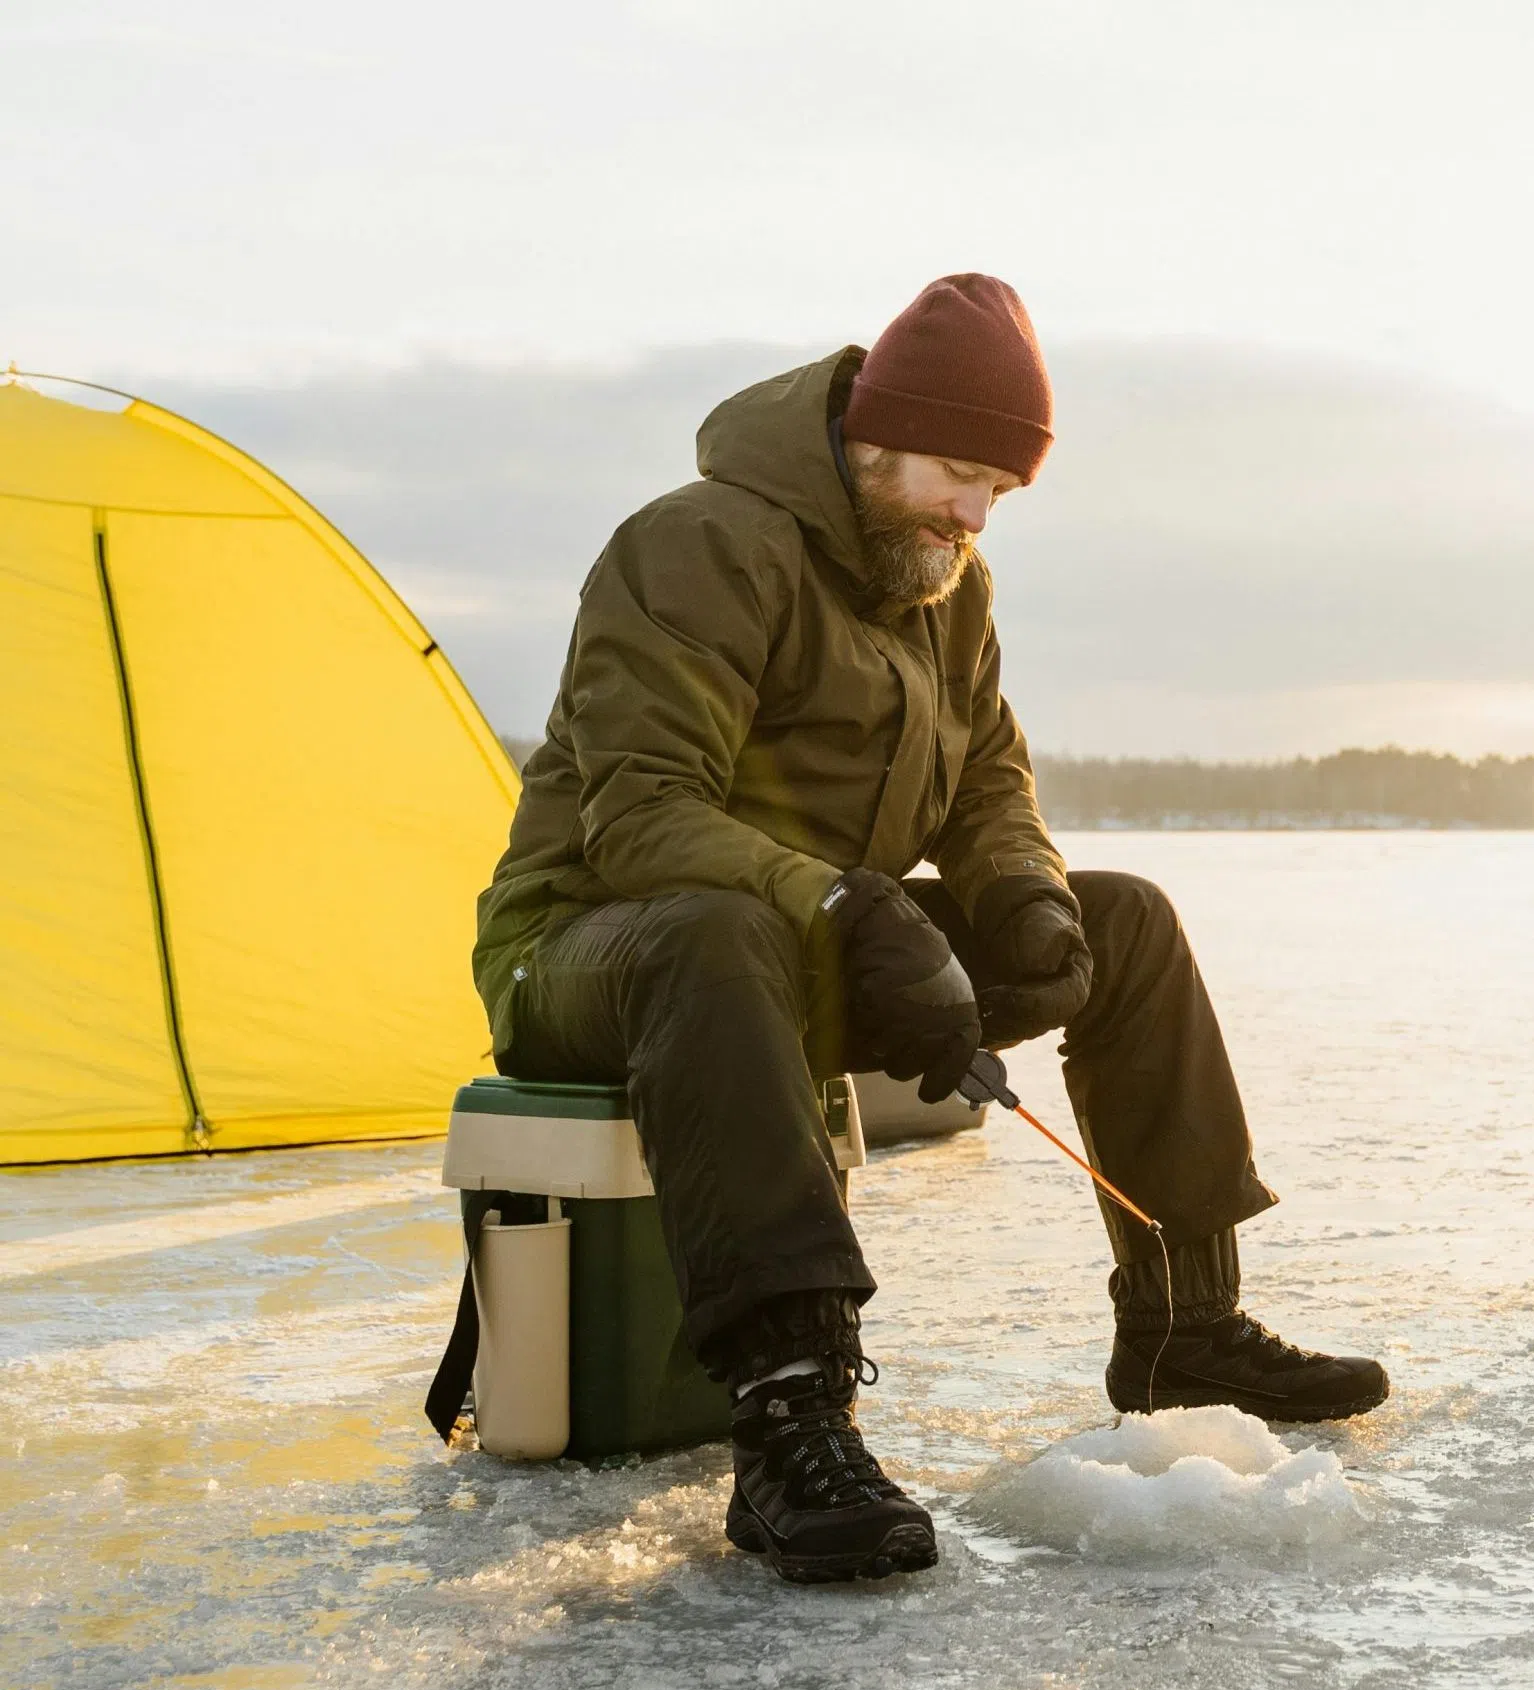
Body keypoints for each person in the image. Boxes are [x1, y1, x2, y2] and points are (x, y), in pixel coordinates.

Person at [472, 275, 1388, 1583]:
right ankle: (792, 1410)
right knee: (720, 932)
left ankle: (1187, 1320)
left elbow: (986, 786)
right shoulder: (698, 547)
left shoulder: (950, 591)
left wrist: (1020, 899)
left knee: (1118, 921)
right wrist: (849, 902)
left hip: (806, 941)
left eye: (999, 491)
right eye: (959, 473)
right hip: (592, 945)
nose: (973, 513)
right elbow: (640, 818)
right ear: (869, 434)